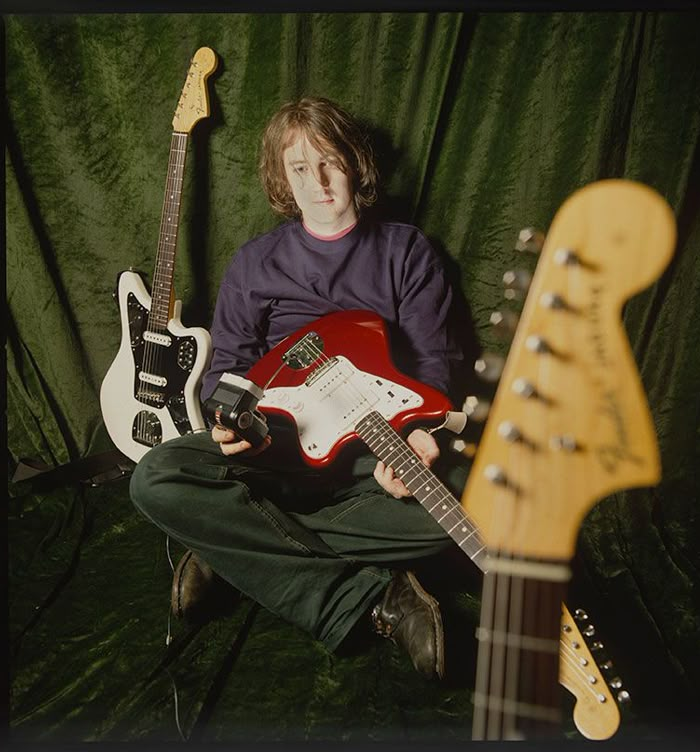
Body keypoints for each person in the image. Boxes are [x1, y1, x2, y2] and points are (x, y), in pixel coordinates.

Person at [130, 97, 465, 680]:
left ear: (356, 164)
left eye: (331, 161)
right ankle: (371, 598)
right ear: (282, 180)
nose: (320, 181)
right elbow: (225, 368)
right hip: (276, 445)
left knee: (458, 512)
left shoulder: (408, 252)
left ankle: (229, 547)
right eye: (300, 168)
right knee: (154, 477)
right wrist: (232, 425)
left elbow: (435, 365)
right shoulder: (255, 262)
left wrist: (416, 438)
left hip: (371, 449)